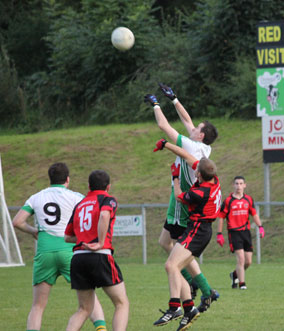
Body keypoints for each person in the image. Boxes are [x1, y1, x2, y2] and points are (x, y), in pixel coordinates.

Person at [144, 84, 219, 313]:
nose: (192, 126)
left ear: (201, 135)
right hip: (180, 201)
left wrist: (156, 104)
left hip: (183, 203)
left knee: (178, 251)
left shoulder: (191, 146)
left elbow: (163, 125)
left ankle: (202, 288)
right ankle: (197, 285)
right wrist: (174, 99)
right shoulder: (204, 148)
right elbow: (187, 120)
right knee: (165, 243)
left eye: (197, 127)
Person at [12, 162, 107, 331]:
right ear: (67, 179)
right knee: (89, 298)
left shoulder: (36, 197)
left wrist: (34, 231)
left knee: (38, 306)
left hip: (45, 251)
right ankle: (101, 328)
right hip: (69, 251)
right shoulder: (76, 196)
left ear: (50, 179)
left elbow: (17, 221)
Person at [153, 139, 222, 331]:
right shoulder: (214, 180)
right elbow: (189, 157)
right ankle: (190, 308)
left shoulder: (199, 192)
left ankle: (175, 307)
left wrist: (175, 177)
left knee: (171, 265)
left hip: (197, 230)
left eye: (196, 170)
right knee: (175, 267)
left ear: (199, 174)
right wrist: (167, 144)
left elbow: (178, 196)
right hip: (201, 230)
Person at [64, 170, 129, 331]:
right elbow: (104, 215)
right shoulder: (108, 200)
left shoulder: (80, 204)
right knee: (121, 303)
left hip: (78, 258)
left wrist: (84, 240)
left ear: (88, 186)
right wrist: (99, 243)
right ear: (108, 187)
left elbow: (67, 237)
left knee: (84, 309)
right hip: (100, 256)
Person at [216, 176, 265, 290]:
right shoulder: (228, 201)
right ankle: (242, 284)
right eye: (236, 183)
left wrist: (260, 226)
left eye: (241, 183)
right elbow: (221, 217)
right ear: (233, 185)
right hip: (234, 233)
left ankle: (234, 275)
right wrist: (219, 234)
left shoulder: (248, 199)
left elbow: (254, 214)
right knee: (241, 259)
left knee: (248, 261)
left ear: (245, 185)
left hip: (246, 232)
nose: (238, 186)